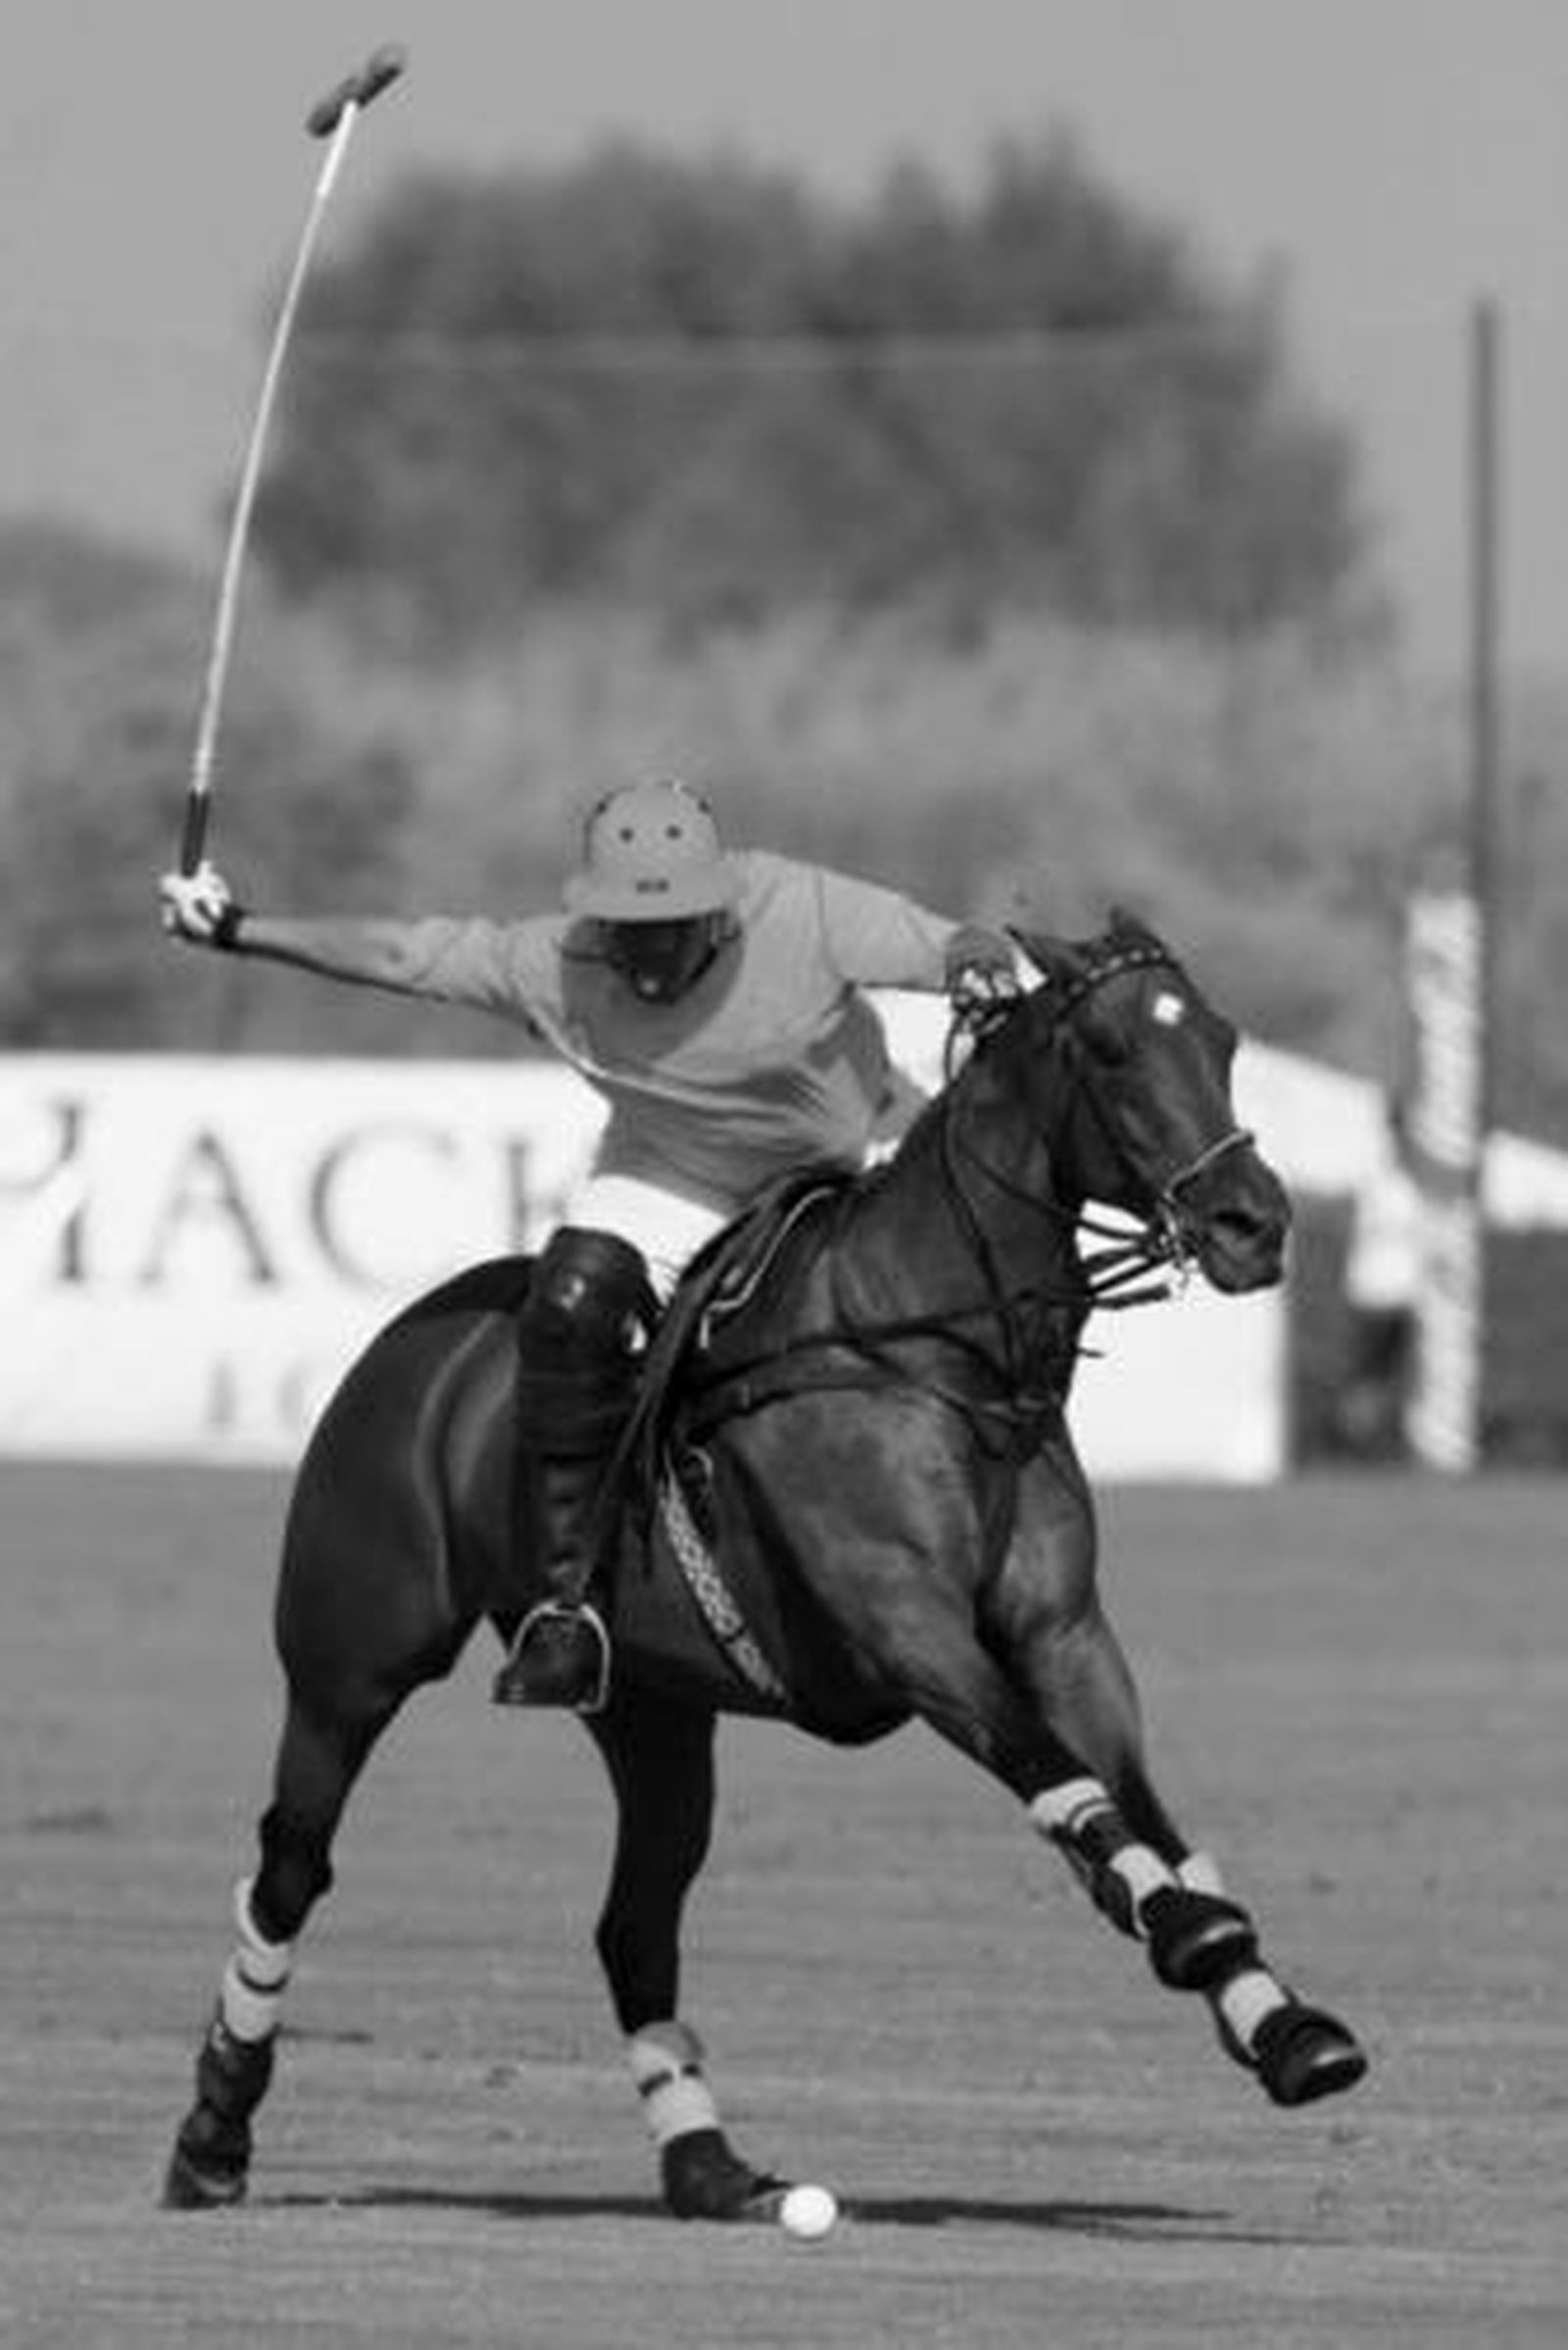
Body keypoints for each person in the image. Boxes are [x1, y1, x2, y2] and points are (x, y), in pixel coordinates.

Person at [160, 778, 1019, 1712]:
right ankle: (568, 1609)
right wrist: (236, 927)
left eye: (672, 927)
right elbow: (405, 953)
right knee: (572, 1300)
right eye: (628, 929)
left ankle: (1022, 1535)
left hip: (864, 1145)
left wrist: (980, 968)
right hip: (679, 1174)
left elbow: (955, 943)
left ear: (720, 909)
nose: (648, 952)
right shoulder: (551, 962)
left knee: (994, 1261)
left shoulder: (797, 906)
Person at [1340, 1090, 1423, 1461]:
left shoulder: (1409, 1181)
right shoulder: (1377, 1176)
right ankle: (1355, 1443)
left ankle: (1374, 1441)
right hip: (1374, 1292)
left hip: (1402, 1292)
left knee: (1388, 1376)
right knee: (1368, 1375)